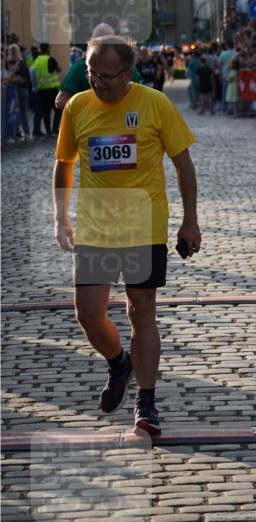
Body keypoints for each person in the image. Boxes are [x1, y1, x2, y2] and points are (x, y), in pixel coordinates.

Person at [53, 34, 201, 434]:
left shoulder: (155, 104)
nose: (97, 82)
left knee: (141, 310)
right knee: (88, 314)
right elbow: (64, 163)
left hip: (144, 225)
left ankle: (146, 402)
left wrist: (190, 220)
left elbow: (184, 166)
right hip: (96, 228)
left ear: (128, 72)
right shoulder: (78, 107)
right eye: (91, 74)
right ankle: (120, 363)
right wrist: (59, 216)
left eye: (105, 75)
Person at [55, 24, 144, 112]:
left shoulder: (126, 66)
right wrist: (89, 112)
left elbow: (140, 95)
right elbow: (60, 101)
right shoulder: (79, 67)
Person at [33, 42, 62, 137]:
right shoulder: (50, 59)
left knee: (46, 111)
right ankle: (55, 129)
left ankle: (48, 131)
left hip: (41, 90)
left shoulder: (36, 60)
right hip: (52, 89)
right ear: (48, 49)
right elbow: (59, 69)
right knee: (58, 110)